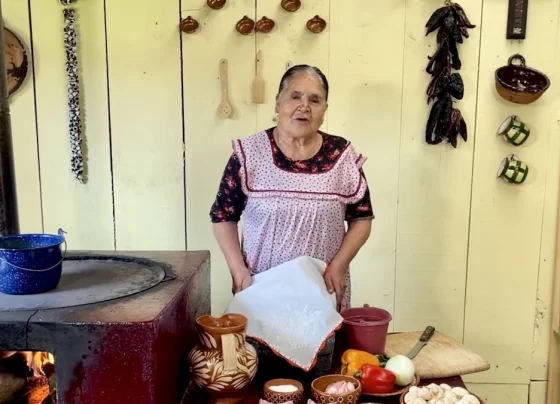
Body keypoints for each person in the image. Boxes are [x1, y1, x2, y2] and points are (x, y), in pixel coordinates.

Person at [209, 64, 374, 312]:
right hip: (261, 288)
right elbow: (223, 216)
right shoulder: (249, 154)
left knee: (325, 338)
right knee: (259, 337)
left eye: (314, 100)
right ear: (278, 103)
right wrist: (237, 269)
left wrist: (340, 265)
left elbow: (362, 218)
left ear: (324, 110)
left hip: (322, 290)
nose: (304, 106)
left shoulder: (342, 156)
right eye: (295, 96)